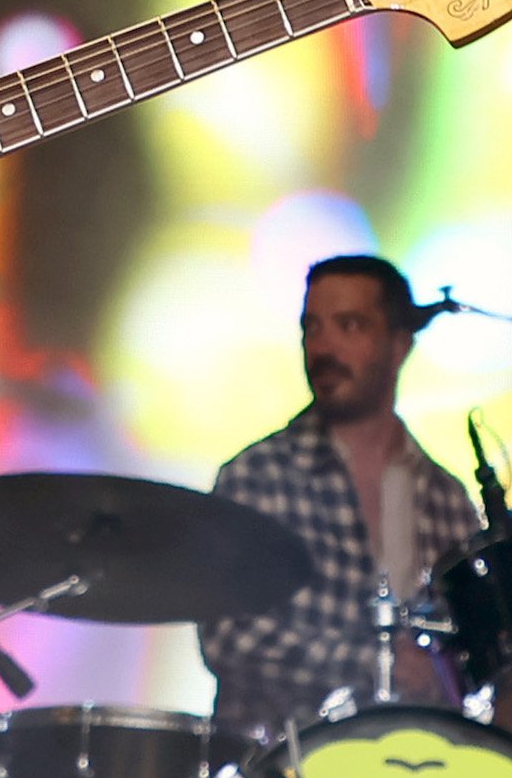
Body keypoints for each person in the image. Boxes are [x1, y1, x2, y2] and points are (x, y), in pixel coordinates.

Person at [196, 254, 481, 744]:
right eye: (312, 328)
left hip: (412, 777)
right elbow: (231, 637)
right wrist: (380, 666)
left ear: (399, 346)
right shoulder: (258, 476)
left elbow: (475, 656)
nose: (323, 347)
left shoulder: (446, 500)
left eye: (349, 326)